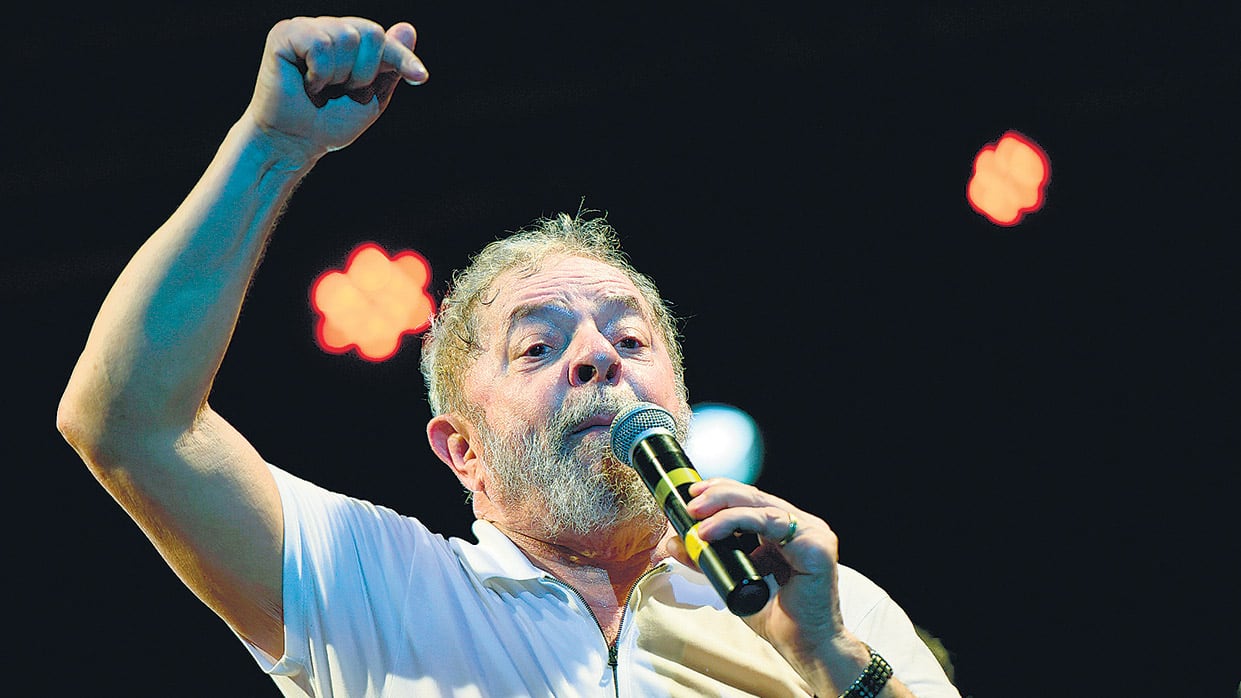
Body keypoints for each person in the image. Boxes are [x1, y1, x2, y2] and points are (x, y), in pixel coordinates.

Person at [57, 15, 960, 698]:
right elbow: (127, 422)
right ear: (463, 449)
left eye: (630, 338)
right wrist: (272, 147)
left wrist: (830, 658)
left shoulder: (826, 607)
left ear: (679, 408)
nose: (599, 358)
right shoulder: (375, 588)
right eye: (539, 345)